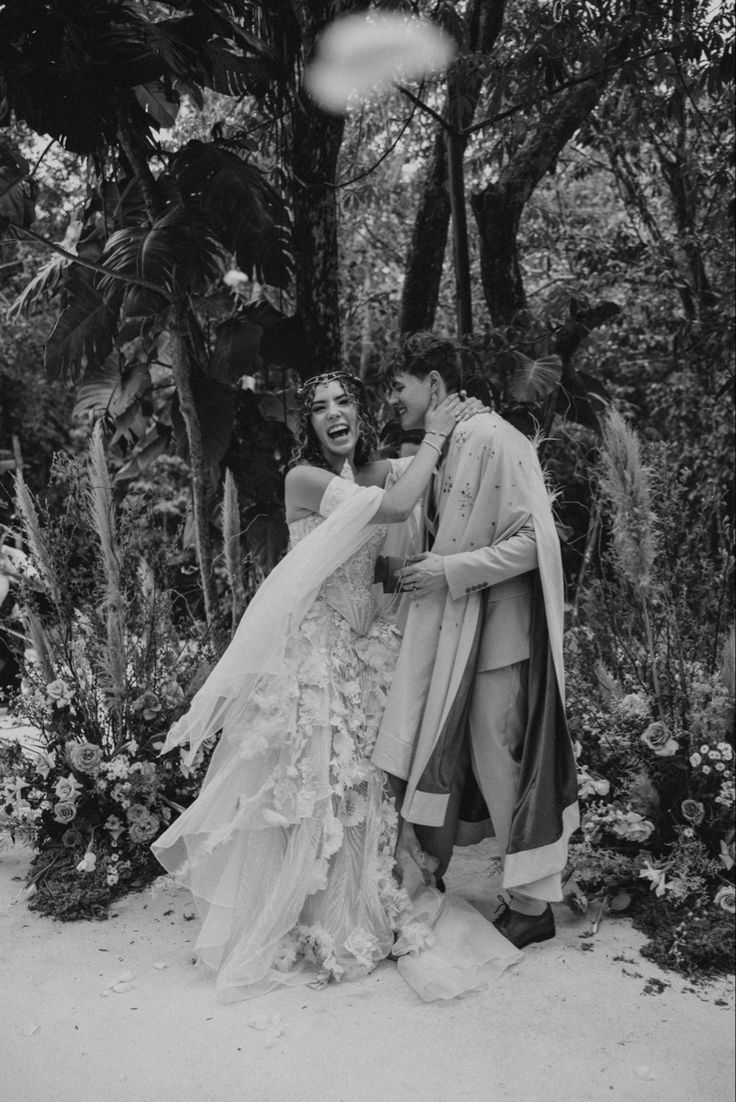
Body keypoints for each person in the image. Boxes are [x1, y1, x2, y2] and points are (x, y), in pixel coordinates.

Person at [153, 370, 519, 1001]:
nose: (333, 414)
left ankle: (366, 894)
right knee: (318, 778)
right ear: (309, 425)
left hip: (366, 644)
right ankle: (316, 912)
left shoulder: (378, 470)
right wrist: (434, 433)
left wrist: (462, 431)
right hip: (317, 648)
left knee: (370, 781)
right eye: (318, 407)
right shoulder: (303, 479)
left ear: (360, 410)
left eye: (343, 401)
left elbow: (392, 536)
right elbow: (399, 505)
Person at [371, 332, 580, 949]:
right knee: (475, 763)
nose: (391, 401)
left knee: (502, 763)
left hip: (501, 634)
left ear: (433, 383)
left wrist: (449, 571)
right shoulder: (449, 442)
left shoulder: (493, 437)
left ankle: (532, 905)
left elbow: (537, 540)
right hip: (465, 627)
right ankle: (504, 888)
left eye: (398, 387)